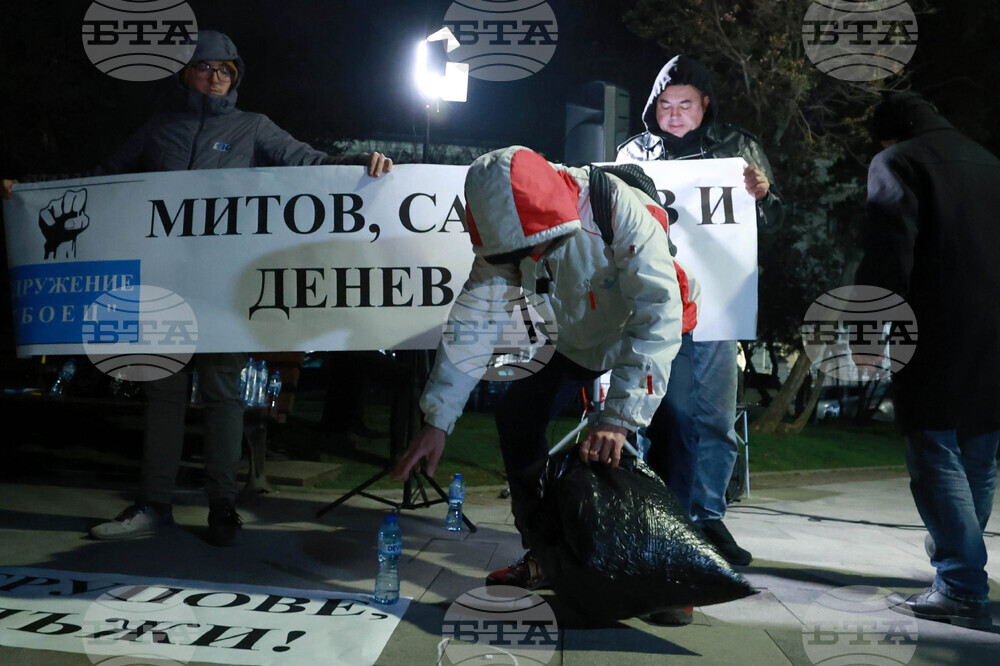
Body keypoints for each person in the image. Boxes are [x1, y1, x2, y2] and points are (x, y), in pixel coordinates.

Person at [3, 30, 393, 546]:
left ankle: (222, 505)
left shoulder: (253, 127)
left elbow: (309, 162)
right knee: (162, 392)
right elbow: (100, 180)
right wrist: (29, 191)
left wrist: (364, 161)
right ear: (184, 73)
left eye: (225, 70)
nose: (214, 77)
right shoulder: (159, 128)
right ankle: (153, 504)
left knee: (223, 394)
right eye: (204, 67)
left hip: (222, 287)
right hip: (164, 285)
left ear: (236, 78)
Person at [392, 145, 683, 589]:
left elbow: (659, 310)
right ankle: (545, 551)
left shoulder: (615, 206)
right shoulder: (504, 246)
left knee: (677, 425)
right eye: (517, 250)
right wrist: (438, 420)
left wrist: (620, 417)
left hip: (653, 325)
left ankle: (673, 572)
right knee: (517, 415)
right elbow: (475, 323)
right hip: (579, 337)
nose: (530, 257)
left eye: (538, 240)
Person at [617, 55, 783, 566]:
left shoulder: (739, 148)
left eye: (685, 103)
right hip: (653, 305)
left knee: (713, 416)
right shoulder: (632, 152)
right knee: (654, 412)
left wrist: (764, 197)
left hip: (715, 305)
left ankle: (709, 519)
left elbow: (772, 227)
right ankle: (658, 515)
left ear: (704, 104)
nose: (674, 113)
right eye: (665, 104)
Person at [855, 92, 999, 630]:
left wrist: (868, 333)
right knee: (979, 451)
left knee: (932, 448)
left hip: (936, 329)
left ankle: (962, 583)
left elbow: (889, 251)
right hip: (995, 336)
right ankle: (957, 571)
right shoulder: (990, 163)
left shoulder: (897, 162)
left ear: (892, 134)